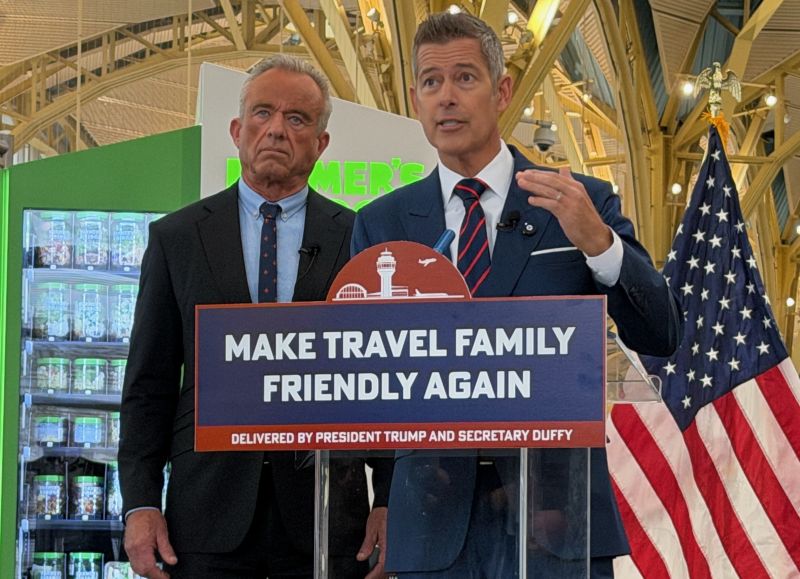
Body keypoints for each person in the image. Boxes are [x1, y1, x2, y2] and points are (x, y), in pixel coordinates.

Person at [352, 12, 681, 579]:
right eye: (431, 83)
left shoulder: (580, 201)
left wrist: (599, 244)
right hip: (432, 520)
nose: (446, 97)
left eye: (465, 78)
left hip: (556, 517)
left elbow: (661, 332)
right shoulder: (382, 224)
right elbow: (366, 374)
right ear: (415, 100)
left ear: (502, 91)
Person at [119, 54, 391, 579]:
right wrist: (140, 503)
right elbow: (148, 385)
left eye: (297, 119)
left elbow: (382, 381)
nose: (276, 130)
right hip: (203, 518)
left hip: (329, 521)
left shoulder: (358, 238)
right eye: (263, 114)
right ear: (237, 130)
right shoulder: (177, 239)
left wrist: (391, 500)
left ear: (321, 143)